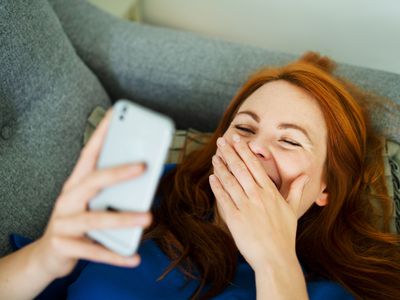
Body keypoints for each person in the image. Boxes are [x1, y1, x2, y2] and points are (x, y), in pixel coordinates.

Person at [0, 52, 399, 300]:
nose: (255, 148)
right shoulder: (147, 195)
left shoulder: (327, 291)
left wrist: (275, 263)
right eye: (244, 128)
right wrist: (47, 257)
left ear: (325, 187)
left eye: (290, 142)